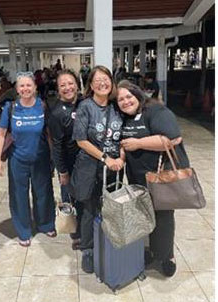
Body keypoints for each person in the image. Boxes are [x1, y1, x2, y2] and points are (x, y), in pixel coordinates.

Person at [116, 80, 186, 277]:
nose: (125, 101)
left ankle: (166, 256)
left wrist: (138, 143)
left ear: (138, 95)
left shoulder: (155, 111)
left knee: (163, 216)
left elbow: (172, 138)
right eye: (120, 99)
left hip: (159, 176)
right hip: (137, 175)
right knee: (145, 215)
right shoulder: (124, 117)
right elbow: (122, 141)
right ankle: (150, 250)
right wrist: (121, 154)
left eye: (128, 96)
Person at [71, 65, 125, 273]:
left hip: (113, 168)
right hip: (90, 167)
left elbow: (125, 133)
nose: (103, 83)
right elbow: (81, 140)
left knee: (110, 206)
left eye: (106, 79)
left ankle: (109, 241)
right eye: (98, 79)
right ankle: (88, 249)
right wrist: (105, 158)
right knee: (89, 207)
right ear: (91, 85)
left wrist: (120, 156)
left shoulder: (116, 106)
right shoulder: (85, 106)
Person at [0, 71, 56, 247]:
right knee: (19, 195)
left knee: (43, 193)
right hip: (18, 160)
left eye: (29, 85)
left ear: (35, 87)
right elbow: (1, 134)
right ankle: (23, 230)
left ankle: (45, 224)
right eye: (22, 85)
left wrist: (54, 158)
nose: (25, 88)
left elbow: (50, 134)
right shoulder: (10, 108)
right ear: (17, 89)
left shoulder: (42, 106)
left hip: (41, 158)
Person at [47, 70, 84, 250]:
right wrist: (62, 171)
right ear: (58, 89)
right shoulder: (56, 112)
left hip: (86, 161)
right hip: (68, 163)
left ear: (77, 84)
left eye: (71, 83)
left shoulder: (85, 103)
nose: (68, 88)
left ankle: (87, 229)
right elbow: (56, 145)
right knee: (69, 197)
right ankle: (75, 234)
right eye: (63, 85)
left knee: (85, 198)